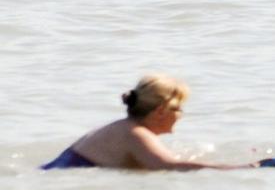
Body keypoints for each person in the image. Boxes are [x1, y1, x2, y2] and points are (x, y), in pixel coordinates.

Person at [40, 75, 256, 170]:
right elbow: (170, 166)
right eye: (179, 108)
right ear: (161, 111)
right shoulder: (137, 134)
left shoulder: (125, 128)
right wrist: (240, 168)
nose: (181, 115)